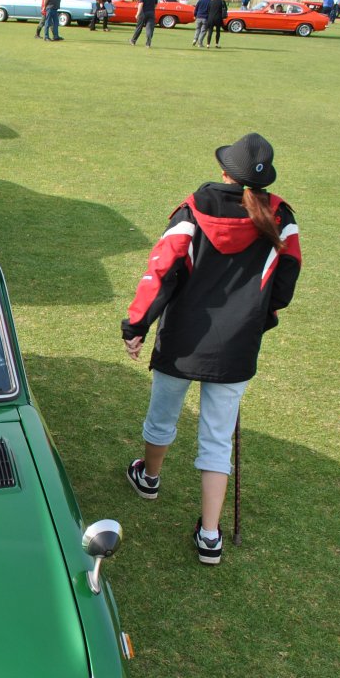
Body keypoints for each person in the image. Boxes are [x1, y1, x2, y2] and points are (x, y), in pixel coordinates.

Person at [122, 133, 301, 566]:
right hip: (238, 345)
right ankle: (209, 535)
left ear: (225, 170)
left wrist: (136, 324)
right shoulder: (281, 216)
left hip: (183, 338)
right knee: (217, 439)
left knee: (162, 416)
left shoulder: (191, 210)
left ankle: (149, 478)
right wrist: (262, 316)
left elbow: (161, 272)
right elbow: (285, 284)